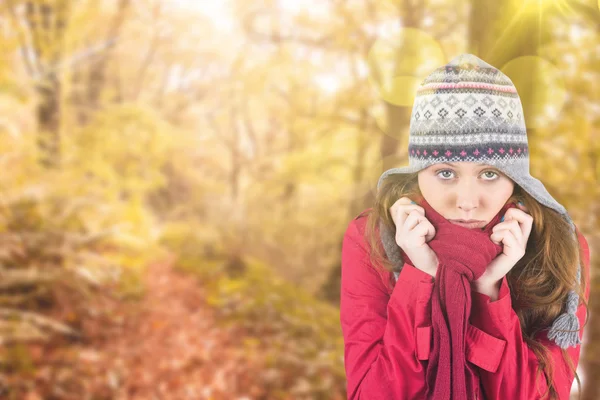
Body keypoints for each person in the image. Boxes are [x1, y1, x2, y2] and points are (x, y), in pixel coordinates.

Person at [339, 54, 591, 400]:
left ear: (515, 177)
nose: (468, 202)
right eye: (446, 173)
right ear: (418, 171)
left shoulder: (558, 246)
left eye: (489, 174)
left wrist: (487, 291)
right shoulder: (374, 238)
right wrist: (421, 278)